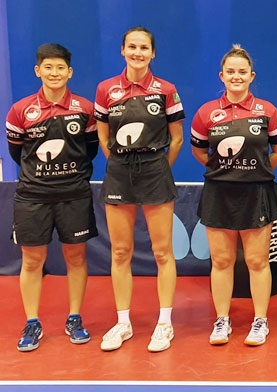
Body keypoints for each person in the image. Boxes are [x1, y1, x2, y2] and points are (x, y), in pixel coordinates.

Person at [94, 26, 185, 352]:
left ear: (152, 53)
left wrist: (158, 167)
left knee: (162, 252)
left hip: (155, 171)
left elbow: (176, 138)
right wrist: (121, 163)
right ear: (122, 50)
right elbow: (103, 137)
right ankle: (123, 323)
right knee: (120, 252)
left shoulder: (166, 90)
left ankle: (165, 323)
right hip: (119, 171)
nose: (137, 52)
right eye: (131, 47)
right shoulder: (106, 89)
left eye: (143, 47)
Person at [190, 45, 277, 346]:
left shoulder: (267, 111)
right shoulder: (207, 112)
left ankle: (260, 321)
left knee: (258, 261)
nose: (236, 76)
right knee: (221, 261)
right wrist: (227, 171)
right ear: (222, 76)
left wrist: (254, 171)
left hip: (256, 192)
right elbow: (199, 151)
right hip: (219, 192)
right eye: (230, 72)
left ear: (251, 76)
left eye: (242, 72)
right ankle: (222, 321)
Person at [6, 43, 98, 352]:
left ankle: (75, 318)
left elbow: (91, 150)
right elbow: (18, 153)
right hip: (32, 196)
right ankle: (32, 322)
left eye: (60, 68)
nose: (54, 73)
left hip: (74, 194)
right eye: (48, 67)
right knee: (32, 260)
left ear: (69, 72)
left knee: (76, 257)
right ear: (38, 71)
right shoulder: (21, 110)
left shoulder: (84, 109)